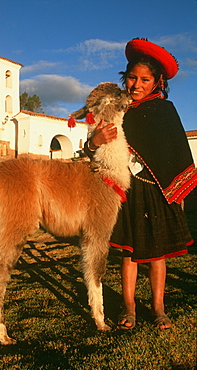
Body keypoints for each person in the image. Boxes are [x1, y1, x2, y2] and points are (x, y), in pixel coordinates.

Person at [84, 38, 197, 330]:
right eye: (132, 78)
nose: (137, 85)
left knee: (157, 254)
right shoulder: (116, 109)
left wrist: (177, 188)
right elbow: (97, 149)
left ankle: (159, 308)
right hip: (126, 191)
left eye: (145, 79)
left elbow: (175, 150)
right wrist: (94, 142)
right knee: (130, 252)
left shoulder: (165, 111)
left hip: (157, 191)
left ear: (158, 81)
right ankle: (129, 306)